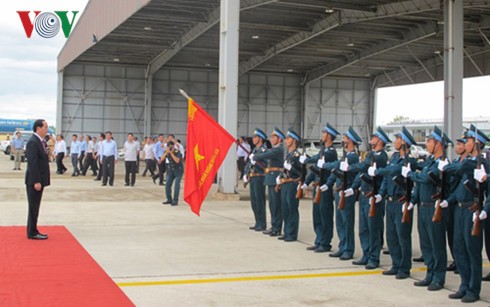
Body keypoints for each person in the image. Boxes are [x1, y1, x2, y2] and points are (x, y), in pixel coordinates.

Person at [442, 124, 490, 303]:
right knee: (459, 249)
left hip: (472, 211)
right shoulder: (468, 162)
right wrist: (449, 200)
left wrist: (484, 211)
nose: (465, 143)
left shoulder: (482, 164)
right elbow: (461, 186)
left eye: (468, 140)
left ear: (477, 143)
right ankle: (464, 285)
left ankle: (473, 289)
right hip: (459, 209)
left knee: (472, 252)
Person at [402, 126, 451, 291]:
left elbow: (427, 179)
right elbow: (420, 185)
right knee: (426, 244)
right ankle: (430, 274)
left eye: (429, 141)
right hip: (422, 207)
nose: (427, 144)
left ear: (438, 144)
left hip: (434, 207)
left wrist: (411, 175)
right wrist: (413, 200)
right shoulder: (429, 161)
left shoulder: (443, 163)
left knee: (436, 244)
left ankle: (439, 277)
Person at [370, 126, 417, 280]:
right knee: (391, 236)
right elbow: (387, 179)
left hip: (401, 201)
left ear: (404, 142)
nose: (395, 141)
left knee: (402, 236)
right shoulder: (395, 157)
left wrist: (377, 171)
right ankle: (396, 264)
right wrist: (381, 194)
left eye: (398, 139)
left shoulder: (408, 160)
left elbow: (393, 171)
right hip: (390, 201)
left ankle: (404, 268)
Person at [346, 127, 390, 269]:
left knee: (373, 229)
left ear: (380, 141)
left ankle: (374, 257)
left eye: (374, 137)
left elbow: (364, 166)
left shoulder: (380, 156)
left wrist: (350, 167)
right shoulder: (371, 155)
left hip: (373, 196)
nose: (371, 139)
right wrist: (353, 187)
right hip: (364, 195)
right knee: (363, 229)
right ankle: (366, 254)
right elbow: (363, 174)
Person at [319, 126, 362, 261]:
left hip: (347, 192)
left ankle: (348, 249)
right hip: (339, 191)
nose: (343, 141)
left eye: (345, 138)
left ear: (350, 141)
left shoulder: (353, 157)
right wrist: (328, 184)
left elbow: (337, 165)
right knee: (340, 222)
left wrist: (325, 165)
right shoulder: (346, 156)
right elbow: (337, 173)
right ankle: (342, 247)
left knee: (347, 222)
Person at [301, 123, 340, 253]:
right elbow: (316, 170)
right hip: (318, 186)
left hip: (324, 188)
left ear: (329, 136)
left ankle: (325, 242)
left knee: (325, 216)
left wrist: (307, 160)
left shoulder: (331, 153)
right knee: (317, 215)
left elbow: (317, 160)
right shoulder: (323, 150)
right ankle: (319, 240)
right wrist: (307, 182)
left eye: (324, 133)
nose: (322, 135)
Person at [251, 127, 285, 237]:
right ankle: (274, 226)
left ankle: (276, 227)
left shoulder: (278, 149)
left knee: (275, 205)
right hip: (271, 178)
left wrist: (255, 157)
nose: (271, 139)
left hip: (275, 178)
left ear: (280, 139)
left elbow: (265, 155)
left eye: (274, 137)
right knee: (272, 205)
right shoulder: (273, 149)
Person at [25, 119, 50, 240]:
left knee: (35, 206)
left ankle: (33, 230)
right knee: (33, 206)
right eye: (45, 127)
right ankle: (32, 232)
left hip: (39, 179)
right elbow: (32, 163)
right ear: (38, 128)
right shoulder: (33, 142)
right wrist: (36, 181)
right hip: (34, 181)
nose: (47, 129)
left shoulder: (41, 141)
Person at [276, 129, 302, 242]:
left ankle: (292, 234)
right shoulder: (288, 154)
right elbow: (284, 170)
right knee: (285, 209)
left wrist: (291, 168)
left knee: (292, 209)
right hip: (285, 183)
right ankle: (287, 232)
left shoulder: (297, 155)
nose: (286, 140)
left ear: (294, 140)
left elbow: (301, 172)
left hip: (292, 183)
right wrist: (280, 177)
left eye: (288, 138)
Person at [243, 129, 267, 231]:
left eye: (255, 137)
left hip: (259, 177)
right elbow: (249, 164)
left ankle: (262, 223)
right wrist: (245, 174)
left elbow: (265, 165)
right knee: (254, 202)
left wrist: (255, 162)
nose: (253, 139)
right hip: (253, 177)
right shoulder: (254, 151)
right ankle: (257, 221)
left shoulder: (263, 151)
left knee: (259, 201)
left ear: (260, 139)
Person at [162, 141, 183, 206]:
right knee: (167, 185)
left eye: (172, 146)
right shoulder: (166, 152)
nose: (171, 148)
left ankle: (175, 200)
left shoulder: (177, 152)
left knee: (176, 185)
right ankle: (169, 199)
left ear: (174, 146)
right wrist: (166, 153)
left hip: (178, 171)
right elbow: (161, 160)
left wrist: (171, 153)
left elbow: (177, 161)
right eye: (169, 146)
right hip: (171, 170)